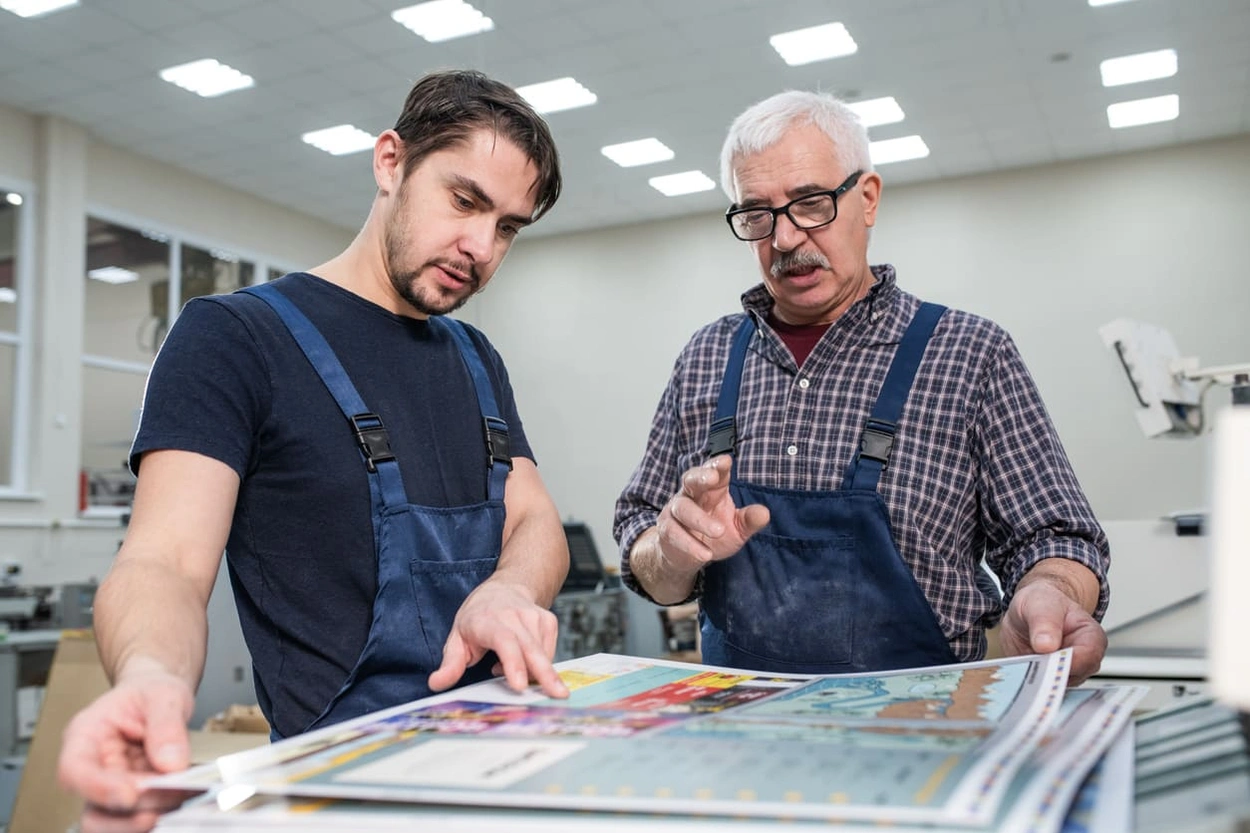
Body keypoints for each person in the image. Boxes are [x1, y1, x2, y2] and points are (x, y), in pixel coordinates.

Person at [58, 69, 571, 832]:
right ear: (391, 162)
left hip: (497, 770)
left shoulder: (475, 357)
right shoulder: (234, 339)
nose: (480, 247)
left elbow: (537, 526)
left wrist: (510, 591)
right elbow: (162, 561)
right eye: (464, 201)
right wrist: (152, 674)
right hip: (338, 798)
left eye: (507, 227)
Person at [614, 90, 1110, 687]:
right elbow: (648, 553)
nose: (786, 239)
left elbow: (1055, 535)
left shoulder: (970, 353)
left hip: (923, 734)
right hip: (741, 737)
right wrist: (670, 553)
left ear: (867, 199)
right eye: (757, 215)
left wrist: (1050, 591)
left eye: (811, 203)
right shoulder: (706, 358)